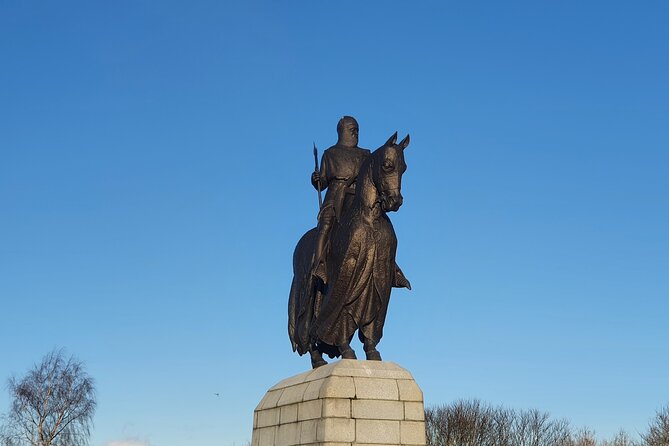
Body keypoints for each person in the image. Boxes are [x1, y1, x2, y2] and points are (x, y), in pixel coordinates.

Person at [310, 116, 370, 282]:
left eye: (357, 129)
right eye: (352, 129)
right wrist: (316, 179)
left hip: (358, 198)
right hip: (335, 196)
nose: (356, 133)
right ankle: (320, 264)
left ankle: (391, 266)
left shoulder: (365, 154)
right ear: (343, 130)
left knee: (379, 222)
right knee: (326, 223)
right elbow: (323, 182)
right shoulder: (330, 154)